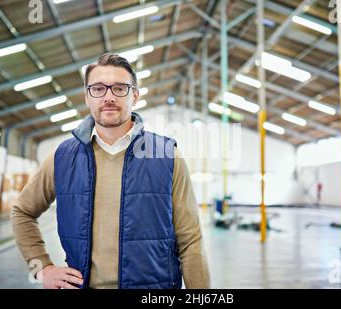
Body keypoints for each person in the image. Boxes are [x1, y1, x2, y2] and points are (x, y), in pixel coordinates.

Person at [11, 53, 210, 289]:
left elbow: (190, 240)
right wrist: (42, 268)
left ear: (134, 95)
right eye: (98, 89)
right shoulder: (62, 157)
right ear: (87, 97)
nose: (108, 96)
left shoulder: (167, 156)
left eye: (119, 88)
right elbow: (22, 211)